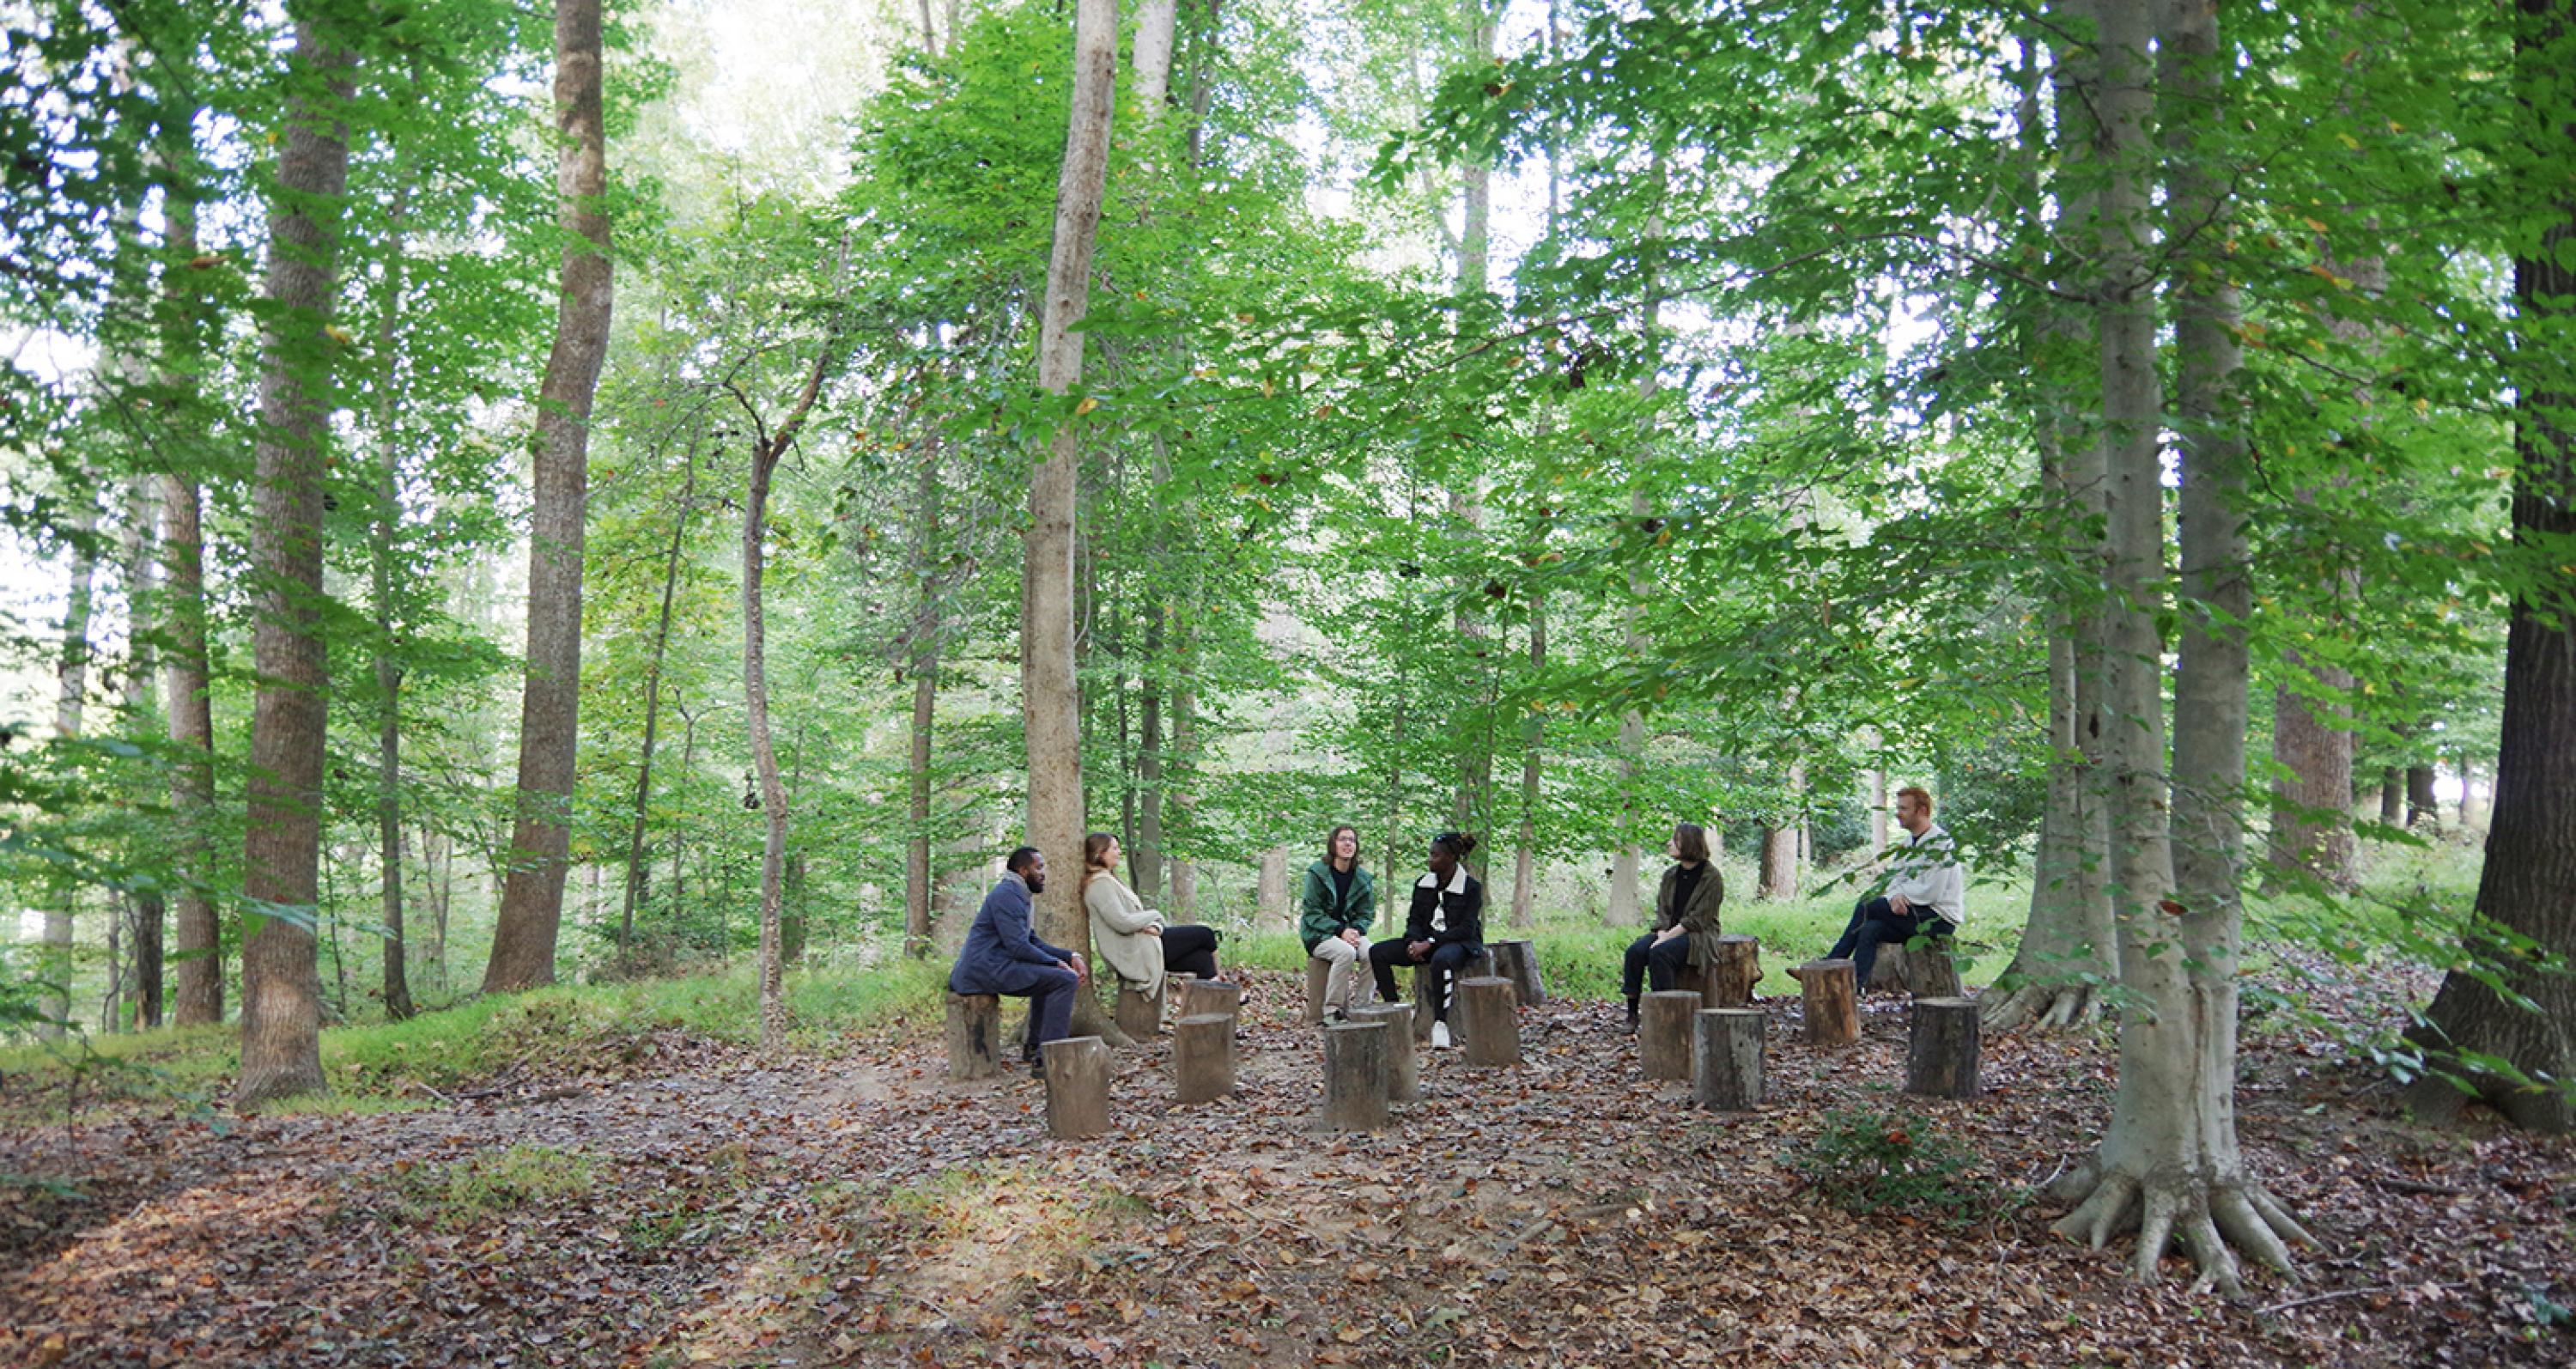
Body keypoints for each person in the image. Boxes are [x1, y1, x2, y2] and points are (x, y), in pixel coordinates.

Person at [949, 846, 1086, 1076]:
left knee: (1053, 977)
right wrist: (1055, 964)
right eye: (1039, 867)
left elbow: (1030, 941)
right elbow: (1018, 947)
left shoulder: (1018, 893)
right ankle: (1049, 1060)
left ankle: (1035, 1048)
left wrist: (1070, 956)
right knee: (1063, 980)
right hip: (983, 970)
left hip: (994, 965)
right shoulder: (1008, 895)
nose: (1044, 873)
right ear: (1023, 870)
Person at [1825, 786, 1964, 990]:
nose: (1898, 813)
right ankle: (1853, 987)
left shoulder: (1941, 845)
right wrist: (1894, 896)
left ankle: (1830, 965)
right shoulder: (1907, 844)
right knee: (1871, 929)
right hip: (1912, 912)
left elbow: (1932, 892)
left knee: (1867, 904)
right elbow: (1893, 880)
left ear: (1922, 811)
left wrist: (1899, 895)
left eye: (1904, 808)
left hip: (1937, 918)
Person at [1368, 831, 1484, 1049]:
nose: (1430, 860)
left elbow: (1466, 929)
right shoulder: (1423, 883)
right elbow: (1414, 919)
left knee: (1441, 960)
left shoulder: (1471, 888)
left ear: (1450, 858)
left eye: (1435, 856)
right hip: (1424, 942)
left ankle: (1440, 1023)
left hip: (1458, 944)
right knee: (1378, 952)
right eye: (1430, 855)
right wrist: (1413, 942)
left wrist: (1430, 942)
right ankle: (1395, 1010)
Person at [1081, 831, 1220, 1004]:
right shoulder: (1099, 885)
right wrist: (1155, 915)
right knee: (1205, 934)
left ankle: (1211, 1004)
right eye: (1114, 848)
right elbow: (1122, 922)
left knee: (1202, 959)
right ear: (1099, 853)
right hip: (1133, 950)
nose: (1119, 852)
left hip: (1145, 940)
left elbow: (1135, 919)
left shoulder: (1109, 880)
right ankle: (1222, 986)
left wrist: (1156, 926)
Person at [1622, 821, 1726, 1034]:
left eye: (1675, 840)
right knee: (1634, 952)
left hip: (1698, 935)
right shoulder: (1670, 875)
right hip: (1667, 931)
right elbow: (1662, 910)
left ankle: (1667, 1014)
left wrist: (1666, 938)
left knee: (1661, 954)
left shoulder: (1712, 878)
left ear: (1688, 843)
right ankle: (1632, 1014)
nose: (1669, 844)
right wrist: (1661, 932)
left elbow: (1700, 918)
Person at [1299, 824, 1377, 1022]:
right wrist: (1340, 930)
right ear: (1333, 844)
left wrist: (1356, 931)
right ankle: (1332, 1010)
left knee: (1373, 953)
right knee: (1346, 953)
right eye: (1342, 839)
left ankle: (1362, 1008)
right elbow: (1312, 913)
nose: (1348, 843)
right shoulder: (1317, 873)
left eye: (1352, 840)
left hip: (1349, 933)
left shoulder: (1363, 879)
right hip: (1318, 934)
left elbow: (1366, 914)